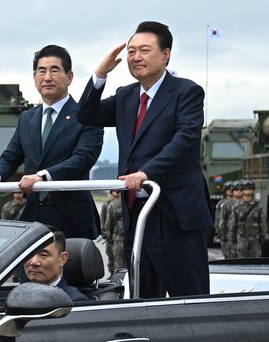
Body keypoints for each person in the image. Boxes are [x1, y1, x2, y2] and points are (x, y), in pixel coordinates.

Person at [77, 21, 211, 297]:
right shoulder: (126, 96)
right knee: (142, 298)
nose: (136, 57)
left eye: (144, 50)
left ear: (166, 54)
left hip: (174, 213)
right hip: (136, 213)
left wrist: (146, 173)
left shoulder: (187, 92)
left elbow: (184, 141)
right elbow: (86, 116)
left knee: (188, 298)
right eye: (131, 51)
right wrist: (100, 74)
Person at [0, 45, 103, 238]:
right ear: (34, 77)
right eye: (41, 71)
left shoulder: (86, 115)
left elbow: (84, 158)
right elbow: (11, 156)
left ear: (69, 77)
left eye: (54, 70)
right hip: (33, 217)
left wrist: (43, 177)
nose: (47, 77)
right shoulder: (27, 118)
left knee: (70, 268)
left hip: (72, 218)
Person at [22, 227, 92, 303]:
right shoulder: (19, 295)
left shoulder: (72, 301)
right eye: (29, 254)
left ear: (62, 259)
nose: (33, 262)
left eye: (43, 255)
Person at [100, 188, 126, 273]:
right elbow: (106, 221)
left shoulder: (113, 204)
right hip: (116, 237)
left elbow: (108, 222)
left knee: (118, 262)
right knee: (114, 259)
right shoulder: (109, 204)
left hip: (117, 237)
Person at [214, 183, 237, 259]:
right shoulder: (222, 204)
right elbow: (219, 218)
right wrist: (219, 231)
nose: (230, 191)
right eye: (228, 189)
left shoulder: (238, 203)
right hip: (226, 232)